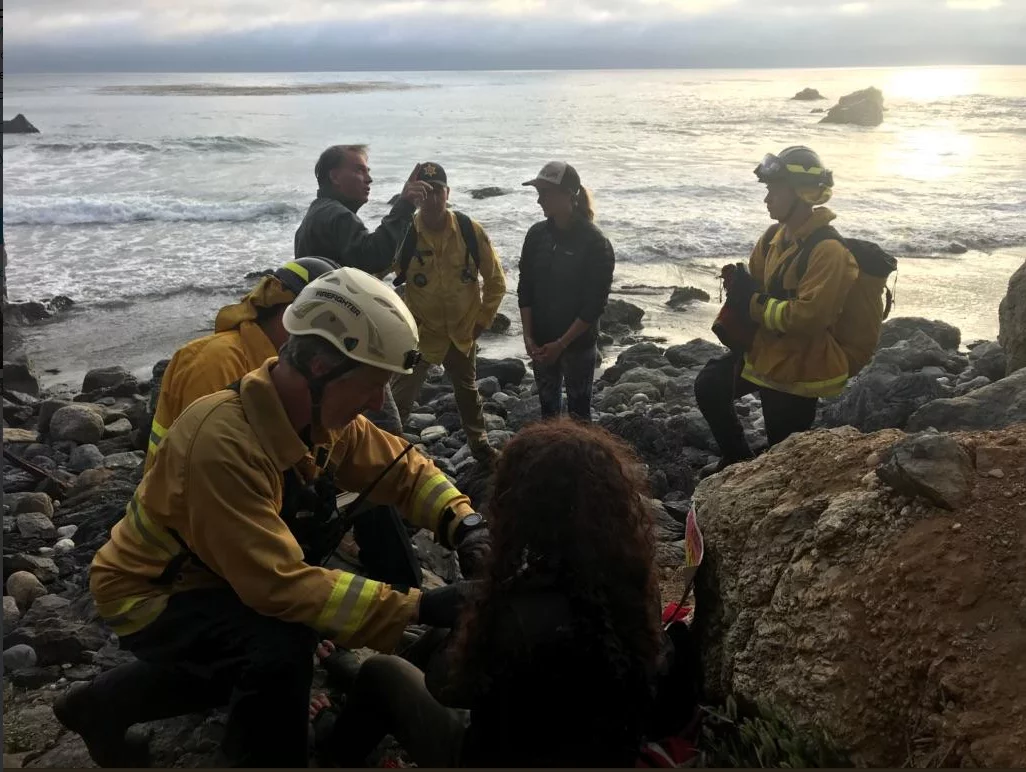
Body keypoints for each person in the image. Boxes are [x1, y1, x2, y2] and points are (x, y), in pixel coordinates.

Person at [54, 268, 492, 768]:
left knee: (254, 651)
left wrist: (466, 525)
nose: (378, 402)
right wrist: (421, 607)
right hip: (152, 592)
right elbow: (279, 587)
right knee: (278, 649)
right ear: (321, 365)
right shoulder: (221, 443)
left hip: (220, 573)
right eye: (372, 384)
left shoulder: (317, 417)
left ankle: (94, 707)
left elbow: (404, 470)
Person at [310, 418, 663, 768]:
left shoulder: (516, 621)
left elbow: (445, 685)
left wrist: (457, 613)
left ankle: (331, 747)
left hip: (493, 757)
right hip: (598, 752)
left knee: (381, 673)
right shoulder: (628, 584)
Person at [695, 145, 858, 475]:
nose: (767, 199)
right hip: (767, 351)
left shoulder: (828, 251)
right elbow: (756, 282)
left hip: (800, 366)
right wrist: (740, 288)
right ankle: (738, 460)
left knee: (785, 455)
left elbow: (809, 317)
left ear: (800, 193)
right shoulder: (773, 236)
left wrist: (752, 303)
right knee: (710, 384)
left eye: (774, 190)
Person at [144, 257, 340, 471]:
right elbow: (213, 465)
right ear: (289, 315)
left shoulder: (285, 369)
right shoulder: (215, 361)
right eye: (326, 332)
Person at [390, 162, 507, 464]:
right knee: (399, 394)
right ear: (417, 196)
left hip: (460, 333)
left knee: (468, 393)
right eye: (425, 192)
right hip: (419, 334)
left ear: (448, 193)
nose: (432, 198)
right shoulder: (405, 233)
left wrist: (482, 322)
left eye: (438, 191)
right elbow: (375, 269)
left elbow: (495, 280)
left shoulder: (469, 230)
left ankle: (480, 445)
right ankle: (387, 447)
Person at [517, 162, 615, 422]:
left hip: (577, 347)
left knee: (579, 416)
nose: (539, 200)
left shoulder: (595, 243)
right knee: (548, 414)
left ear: (568, 195)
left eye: (545, 193)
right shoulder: (536, 235)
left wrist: (561, 344)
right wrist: (528, 337)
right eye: (538, 192)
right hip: (540, 343)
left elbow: (594, 305)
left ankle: (580, 462)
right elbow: (525, 287)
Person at [293, 145, 429, 274]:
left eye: (368, 171)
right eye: (360, 170)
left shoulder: (317, 213)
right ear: (335, 177)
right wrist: (404, 205)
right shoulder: (338, 215)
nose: (369, 179)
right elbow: (375, 257)